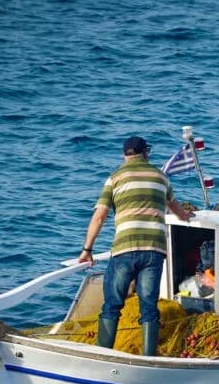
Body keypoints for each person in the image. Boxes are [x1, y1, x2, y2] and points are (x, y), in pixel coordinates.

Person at [78, 136, 194, 356]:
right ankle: (149, 358)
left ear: (125, 155)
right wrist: (186, 215)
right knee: (149, 308)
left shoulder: (115, 178)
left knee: (112, 305)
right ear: (145, 153)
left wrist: (87, 249)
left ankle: (103, 355)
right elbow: (176, 210)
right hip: (153, 250)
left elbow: (99, 217)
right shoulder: (160, 177)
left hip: (125, 249)